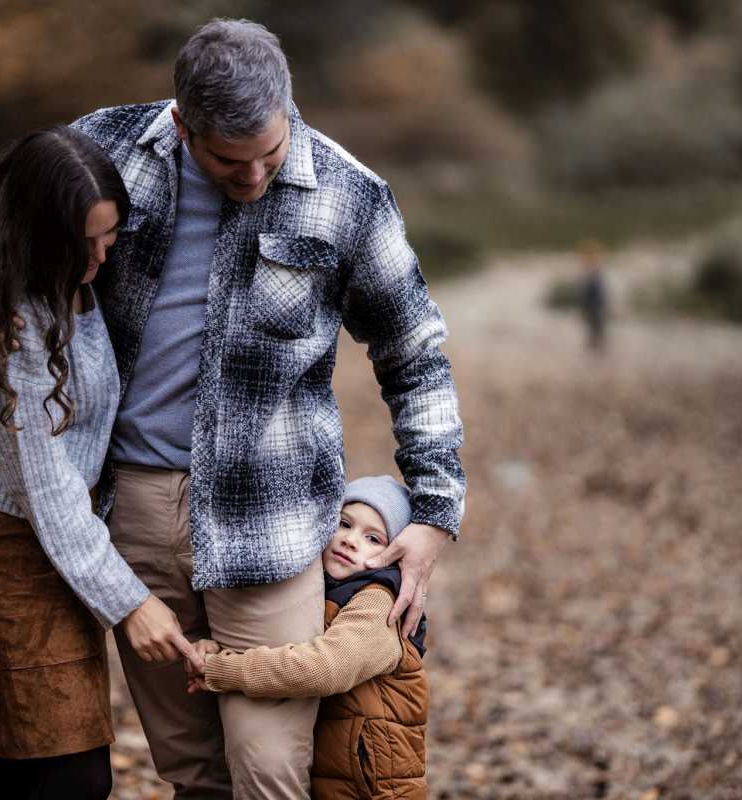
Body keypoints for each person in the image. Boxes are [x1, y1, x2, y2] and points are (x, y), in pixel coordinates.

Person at [64, 19, 466, 797]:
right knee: (193, 771)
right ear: (182, 123)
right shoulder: (102, 151)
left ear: (289, 106)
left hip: (273, 522)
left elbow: (415, 353)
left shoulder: (350, 195)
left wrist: (436, 509)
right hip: (131, 512)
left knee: (271, 768)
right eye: (225, 160)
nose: (252, 177)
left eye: (269, 155)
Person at [0, 126, 203, 800]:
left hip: (61, 540)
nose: (99, 257)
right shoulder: (7, 321)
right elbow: (46, 485)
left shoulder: (58, 254)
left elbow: (6, 185)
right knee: (68, 775)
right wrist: (131, 604)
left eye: (108, 236)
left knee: (28, 762)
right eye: (81, 242)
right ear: (34, 234)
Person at [186, 475, 430, 800]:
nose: (351, 540)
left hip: (373, 788)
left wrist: (221, 669)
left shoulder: (379, 603)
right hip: (334, 774)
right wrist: (214, 650)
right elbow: (279, 647)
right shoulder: (322, 586)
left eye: (374, 538)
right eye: (344, 524)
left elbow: (324, 668)